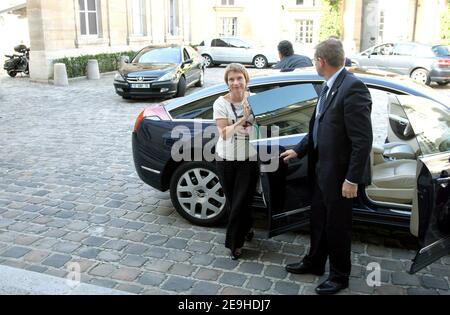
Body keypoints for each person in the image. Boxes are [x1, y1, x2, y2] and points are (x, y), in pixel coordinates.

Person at [280, 39, 373, 295]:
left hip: (341, 177)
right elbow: (317, 126)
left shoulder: (353, 88)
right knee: (319, 220)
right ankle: (315, 262)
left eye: (314, 60)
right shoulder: (327, 86)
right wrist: (299, 148)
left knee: (338, 227)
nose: (314, 63)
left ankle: (340, 276)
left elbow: (362, 140)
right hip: (321, 171)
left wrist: (352, 179)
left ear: (321, 61)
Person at [213, 63, 259, 260]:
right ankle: (247, 228)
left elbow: (265, 126)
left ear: (246, 79)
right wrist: (243, 119)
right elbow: (224, 133)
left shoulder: (256, 100)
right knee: (234, 201)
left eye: (239, 78)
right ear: (227, 82)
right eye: (231, 79)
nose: (236, 83)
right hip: (226, 159)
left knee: (241, 201)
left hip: (249, 159)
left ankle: (234, 244)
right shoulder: (220, 104)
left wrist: (254, 120)